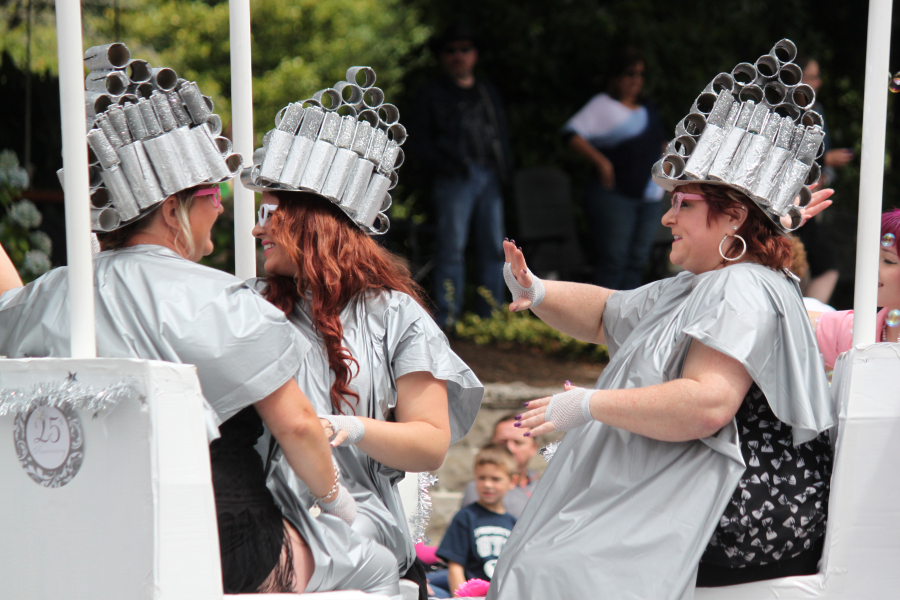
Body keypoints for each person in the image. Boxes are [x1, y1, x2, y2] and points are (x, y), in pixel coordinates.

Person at [0, 49, 398, 597]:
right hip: (216, 547)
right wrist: (342, 506)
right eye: (213, 193)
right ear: (171, 209)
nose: (222, 206)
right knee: (379, 566)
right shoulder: (223, 301)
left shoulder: (44, 297)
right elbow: (300, 427)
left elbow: (11, 306)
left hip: (71, 539)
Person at [484, 42, 838, 598]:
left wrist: (589, 404)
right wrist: (538, 289)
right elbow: (606, 313)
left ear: (734, 216)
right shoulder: (702, 282)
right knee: (547, 553)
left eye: (684, 204)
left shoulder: (741, 285)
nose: (667, 215)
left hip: (749, 506)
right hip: (714, 487)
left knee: (557, 565)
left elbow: (706, 405)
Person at [407, 22, 513, 328]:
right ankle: (448, 318)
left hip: (489, 176)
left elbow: (500, 136)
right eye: (450, 50)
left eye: (464, 49)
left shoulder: (486, 91)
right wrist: (445, 165)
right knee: (451, 249)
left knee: (495, 248)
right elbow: (419, 141)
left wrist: (503, 171)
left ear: (475, 54)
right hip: (453, 179)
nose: (458, 56)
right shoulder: (431, 93)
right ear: (442, 57)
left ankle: (489, 317)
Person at [561, 47, 667, 289]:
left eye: (641, 74)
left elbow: (660, 143)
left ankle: (627, 320)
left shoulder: (647, 108)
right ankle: (602, 318)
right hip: (614, 196)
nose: (636, 80)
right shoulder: (603, 105)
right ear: (616, 78)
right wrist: (601, 161)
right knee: (614, 259)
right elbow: (570, 134)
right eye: (630, 74)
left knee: (638, 261)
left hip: (649, 196)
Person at [795, 55, 855, 305]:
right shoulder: (781, 112)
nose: (817, 83)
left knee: (825, 266)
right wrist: (825, 160)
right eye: (811, 77)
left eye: (817, 77)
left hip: (808, 208)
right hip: (786, 208)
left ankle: (808, 322)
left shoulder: (816, 110)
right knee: (800, 267)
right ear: (795, 78)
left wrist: (825, 174)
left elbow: (821, 162)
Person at [813, 209, 900, 370]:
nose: (872, 266)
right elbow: (785, 319)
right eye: (872, 255)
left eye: (888, 260)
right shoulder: (852, 331)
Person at [432, 444, 519, 598]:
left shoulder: (514, 523)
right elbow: (455, 567)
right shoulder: (465, 517)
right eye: (482, 477)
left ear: (512, 481)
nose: (487, 484)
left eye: (495, 479)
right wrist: (462, 597)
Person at [458, 412, 539, 518]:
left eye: (518, 442)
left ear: (533, 448)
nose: (510, 448)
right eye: (503, 442)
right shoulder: (481, 490)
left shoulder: (544, 489)